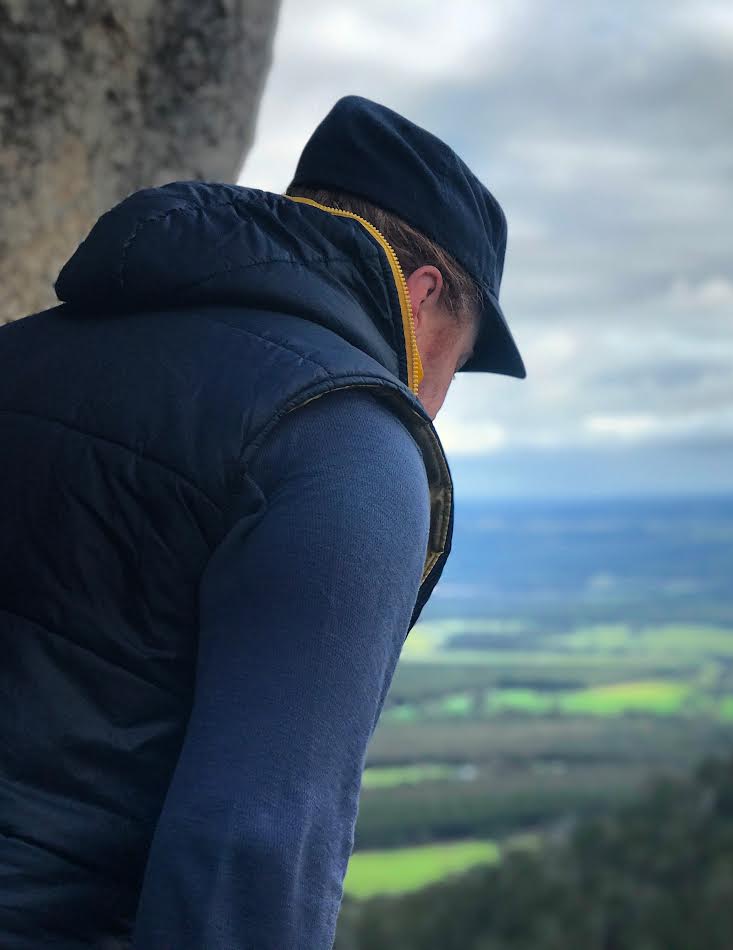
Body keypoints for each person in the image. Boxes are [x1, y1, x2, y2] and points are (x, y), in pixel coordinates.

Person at [0, 95, 526, 948]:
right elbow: (250, 851)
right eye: (456, 365)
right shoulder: (342, 439)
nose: (437, 404)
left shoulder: (21, 352)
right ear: (423, 296)